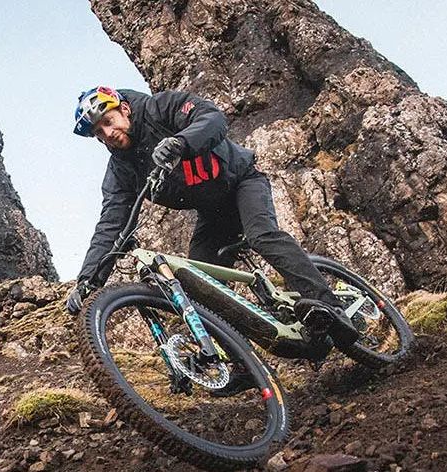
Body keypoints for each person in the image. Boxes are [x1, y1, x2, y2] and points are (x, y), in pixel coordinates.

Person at [64, 86, 359, 356]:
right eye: (99, 133)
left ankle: (332, 308)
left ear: (124, 109)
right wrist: (88, 280)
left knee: (262, 236)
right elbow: (111, 223)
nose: (107, 133)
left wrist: (180, 142)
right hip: (213, 214)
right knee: (201, 286)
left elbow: (213, 119)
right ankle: (242, 362)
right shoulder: (120, 171)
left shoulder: (161, 107)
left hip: (242, 181)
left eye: (108, 121)